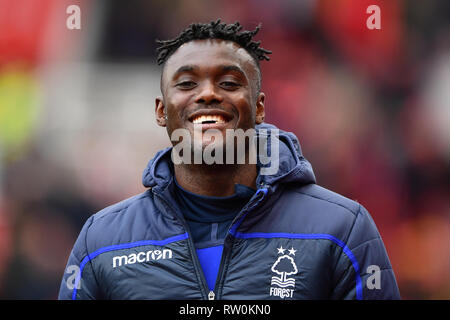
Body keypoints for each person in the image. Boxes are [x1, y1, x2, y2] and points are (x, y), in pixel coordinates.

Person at [58, 19, 400, 300]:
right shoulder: (102, 242)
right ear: (161, 111)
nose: (208, 93)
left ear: (260, 107)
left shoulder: (341, 230)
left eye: (229, 82)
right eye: (188, 82)